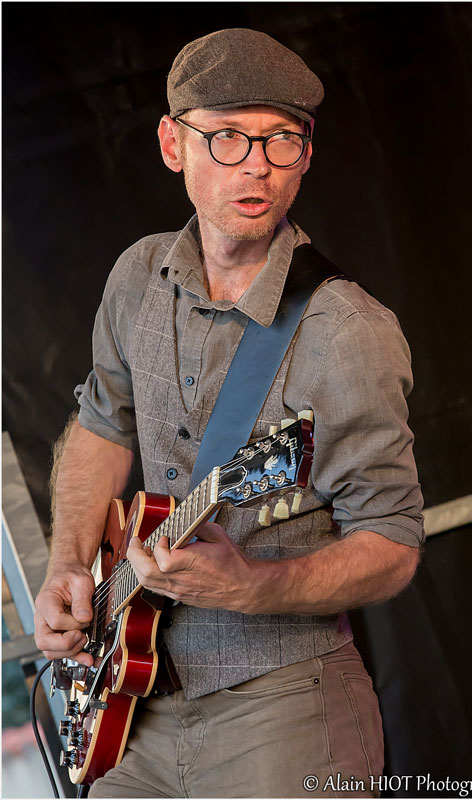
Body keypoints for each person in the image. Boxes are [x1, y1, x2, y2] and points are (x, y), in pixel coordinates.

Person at [34, 28, 424, 799]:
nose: (256, 163)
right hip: (135, 707)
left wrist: (252, 585)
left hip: (285, 709)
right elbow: (102, 423)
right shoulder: (138, 275)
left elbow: (393, 543)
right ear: (172, 144)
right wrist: (69, 569)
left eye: (281, 139)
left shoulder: (345, 332)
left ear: (305, 155)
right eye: (226, 136)